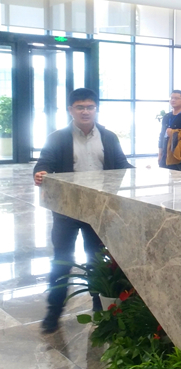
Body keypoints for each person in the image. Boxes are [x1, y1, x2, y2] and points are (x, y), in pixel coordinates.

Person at [33, 87, 133, 333]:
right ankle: (53, 312)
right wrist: (41, 173)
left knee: (96, 260)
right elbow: (44, 162)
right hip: (66, 210)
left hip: (98, 210)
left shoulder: (108, 137)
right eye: (80, 107)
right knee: (62, 260)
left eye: (90, 107)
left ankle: (100, 307)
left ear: (96, 108)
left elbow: (121, 165)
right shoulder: (58, 138)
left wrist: (141, 172)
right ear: (71, 110)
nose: (85, 111)